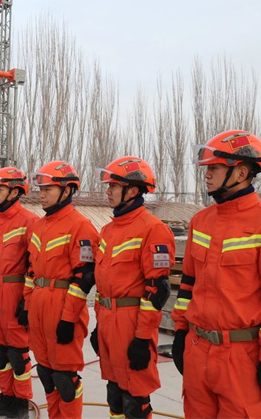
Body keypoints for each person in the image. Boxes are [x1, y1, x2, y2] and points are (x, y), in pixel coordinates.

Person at [171, 130, 261, 418]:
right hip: (197, 351)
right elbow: (188, 286)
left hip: (241, 359)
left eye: (215, 168)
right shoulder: (200, 222)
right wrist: (180, 332)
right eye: (206, 168)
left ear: (241, 172)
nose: (207, 175)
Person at [92, 156, 175, 419]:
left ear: (132, 190)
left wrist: (142, 338)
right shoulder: (107, 230)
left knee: (134, 398)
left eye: (113, 186)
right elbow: (103, 284)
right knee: (114, 393)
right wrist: (98, 325)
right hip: (108, 321)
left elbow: (157, 290)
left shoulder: (153, 230)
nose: (108, 191)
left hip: (132, 323)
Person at [24, 160, 100, 419]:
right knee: (46, 373)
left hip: (62, 306)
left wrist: (68, 318)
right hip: (39, 305)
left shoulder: (80, 226)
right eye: (41, 190)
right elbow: (31, 271)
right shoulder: (40, 225)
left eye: (48, 190)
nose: (41, 195)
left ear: (66, 191)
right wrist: (26, 305)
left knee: (65, 379)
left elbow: (84, 278)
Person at [0, 167, 39, 419]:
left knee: (17, 351)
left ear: (15, 191)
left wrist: (27, 299)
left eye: (1, 188)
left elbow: (34, 264)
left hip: (15, 291)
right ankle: (7, 397)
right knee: (0, 349)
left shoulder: (30, 221)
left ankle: (21, 402)